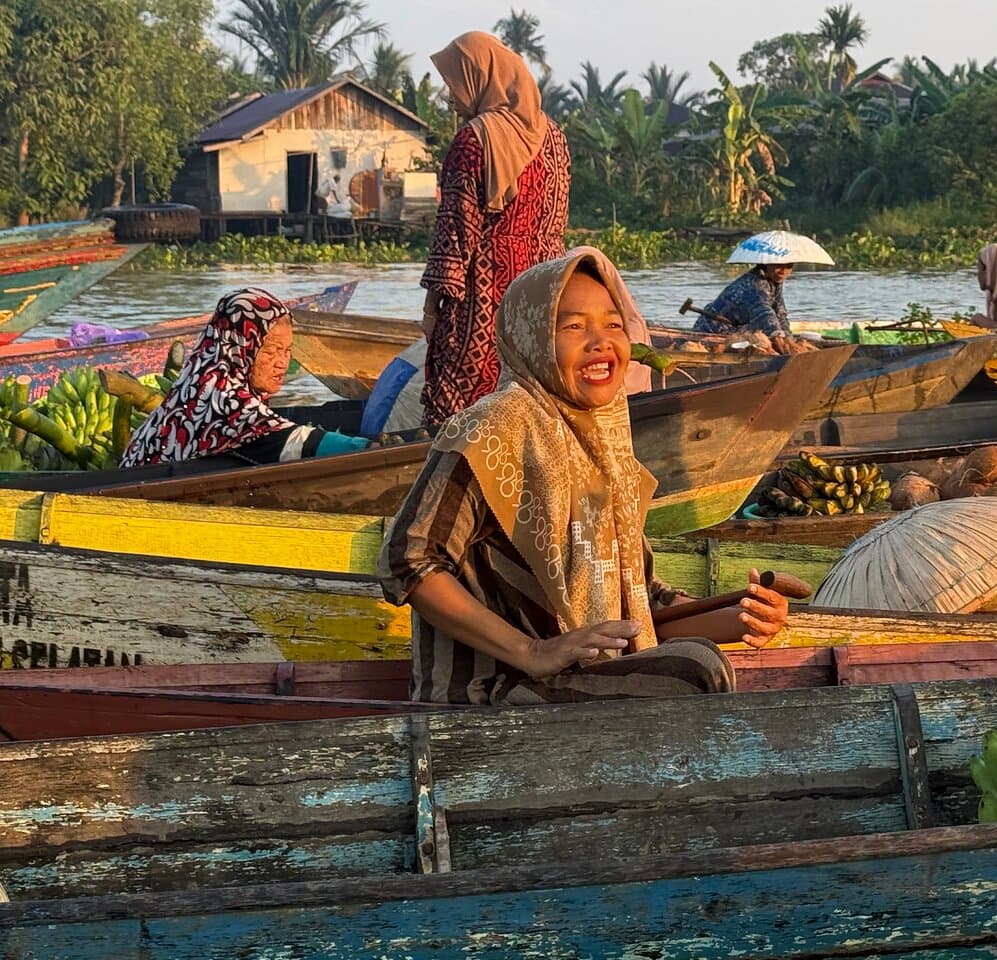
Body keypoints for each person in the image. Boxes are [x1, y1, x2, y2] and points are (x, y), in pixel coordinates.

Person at [380, 248, 790, 705]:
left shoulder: (608, 440)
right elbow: (408, 561)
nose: (600, 342)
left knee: (705, 659)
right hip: (489, 692)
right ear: (531, 338)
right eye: (574, 326)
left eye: (613, 325)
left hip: (580, 676)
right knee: (696, 668)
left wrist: (740, 616)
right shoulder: (492, 427)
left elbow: (638, 605)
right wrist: (533, 650)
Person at [418, 31, 571, 430]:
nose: (447, 95)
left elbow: (455, 238)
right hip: (542, 296)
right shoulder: (554, 138)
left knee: (463, 407)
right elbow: (555, 222)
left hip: (485, 299)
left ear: (477, 77)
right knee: (533, 400)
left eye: (452, 81)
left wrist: (431, 311)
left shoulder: (474, 139)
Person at [121, 288, 371, 467]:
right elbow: (277, 438)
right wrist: (364, 449)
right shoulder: (217, 397)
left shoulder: (196, 385)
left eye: (287, 351)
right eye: (272, 350)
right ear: (238, 349)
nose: (282, 362)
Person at [695, 263, 808, 354]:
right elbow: (766, 317)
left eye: (788, 266)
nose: (783, 271)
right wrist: (787, 352)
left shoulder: (774, 281)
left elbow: (780, 313)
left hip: (738, 327)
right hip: (714, 332)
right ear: (766, 264)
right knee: (761, 338)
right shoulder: (754, 285)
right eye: (777, 266)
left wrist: (790, 339)